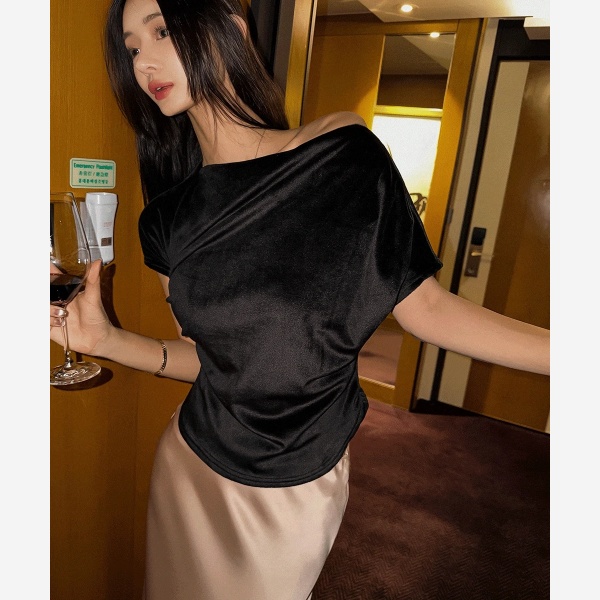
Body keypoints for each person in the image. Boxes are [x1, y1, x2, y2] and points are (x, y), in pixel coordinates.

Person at [50, 0, 550, 598]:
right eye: (132, 48)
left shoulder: (340, 154)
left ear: (232, 29)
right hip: (191, 463)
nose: (143, 62)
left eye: (162, 31)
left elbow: (429, 309)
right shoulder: (166, 220)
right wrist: (106, 341)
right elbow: (207, 360)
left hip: (295, 483)